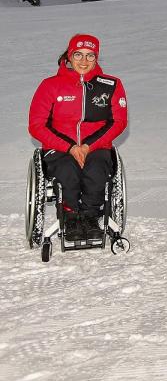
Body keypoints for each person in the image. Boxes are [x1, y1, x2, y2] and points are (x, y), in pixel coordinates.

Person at [28, 34, 129, 243]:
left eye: (90, 56)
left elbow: (118, 122)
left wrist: (88, 146)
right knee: (68, 168)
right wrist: (70, 147)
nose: (84, 61)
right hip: (60, 148)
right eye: (78, 55)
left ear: (96, 58)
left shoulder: (110, 85)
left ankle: (91, 218)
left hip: (96, 146)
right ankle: (71, 217)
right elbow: (36, 125)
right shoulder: (50, 86)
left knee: (97, 167)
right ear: (69, 56)